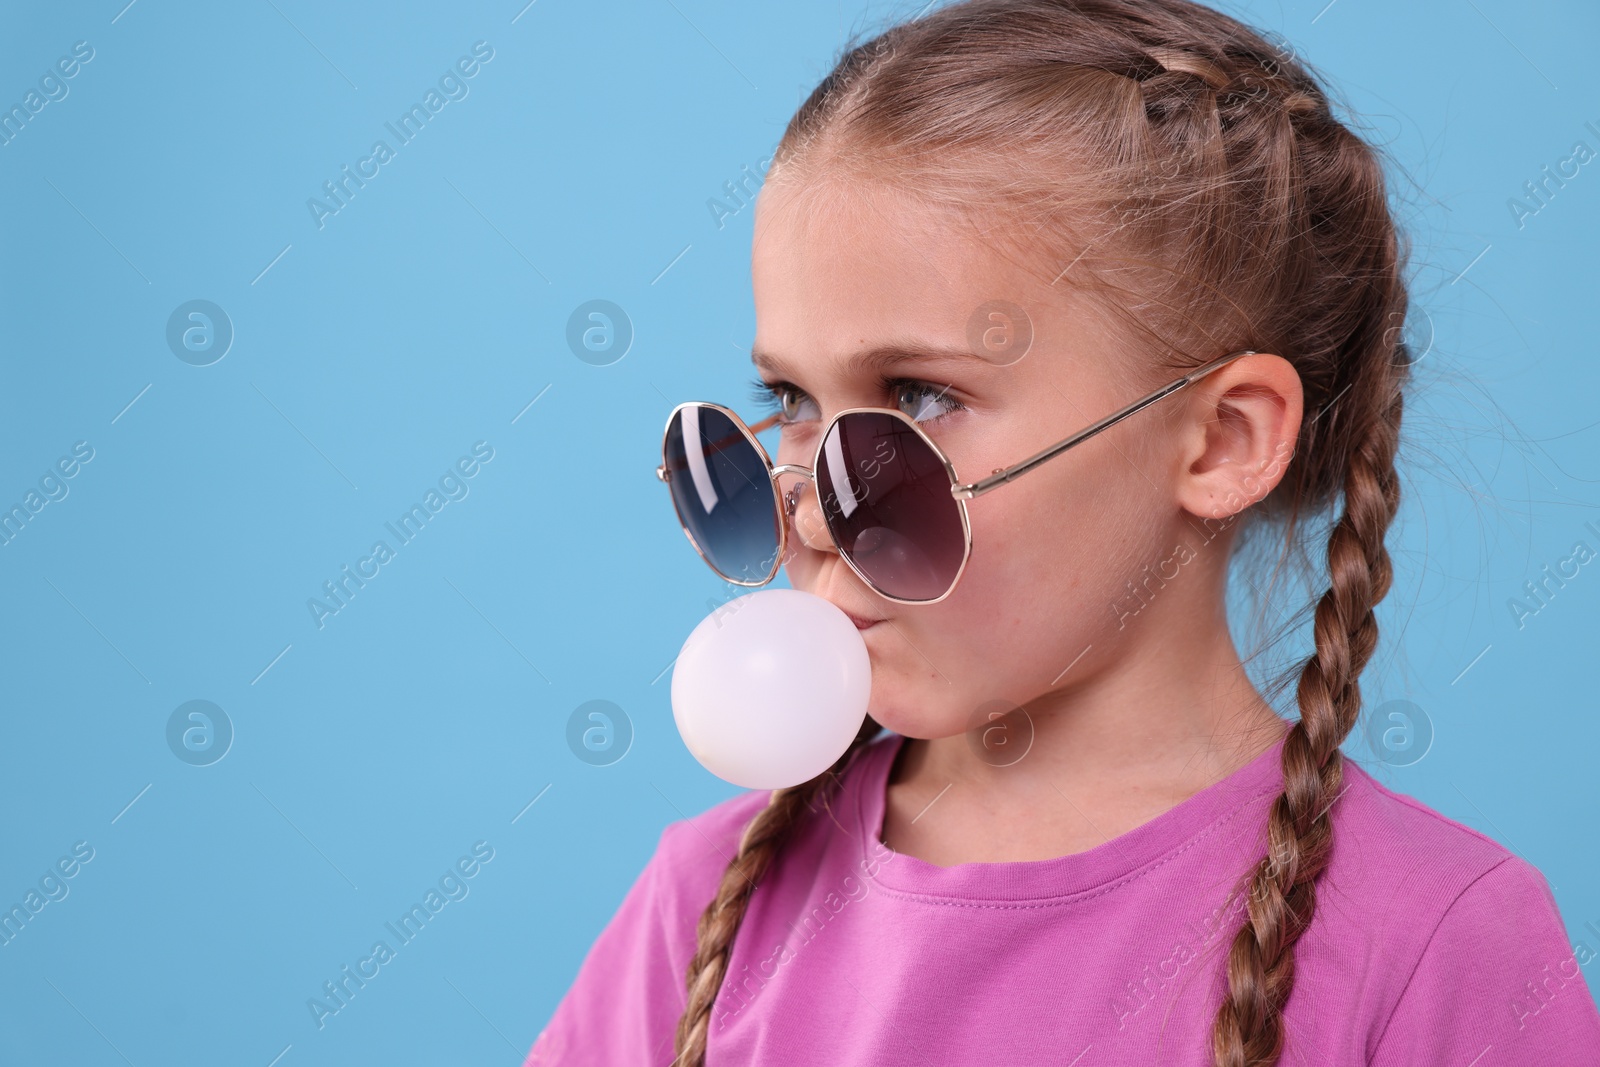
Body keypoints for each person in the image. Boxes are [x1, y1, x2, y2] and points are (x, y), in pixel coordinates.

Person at [527, 0, 1600, 1062]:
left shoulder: (1435, 940)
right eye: (791, 400)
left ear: (1221, 438)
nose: (806, 499)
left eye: (918, 396)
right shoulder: (709, 899)